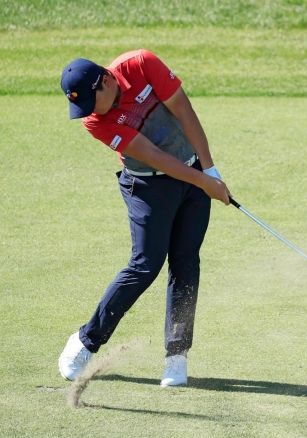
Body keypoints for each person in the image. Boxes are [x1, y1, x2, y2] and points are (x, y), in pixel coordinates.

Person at [57, 49, 231, 387]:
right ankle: (85, 341)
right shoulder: (96, 121)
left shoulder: (140, 64)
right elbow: (153, 155)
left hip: (192, 168)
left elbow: (184, 110)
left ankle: (176, 355)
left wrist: (208, 168)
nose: (90, 113)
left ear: (105, 81)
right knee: (145, 264)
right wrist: (205, 182)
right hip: (147, 187)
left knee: (185, 262)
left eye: (92, 102)